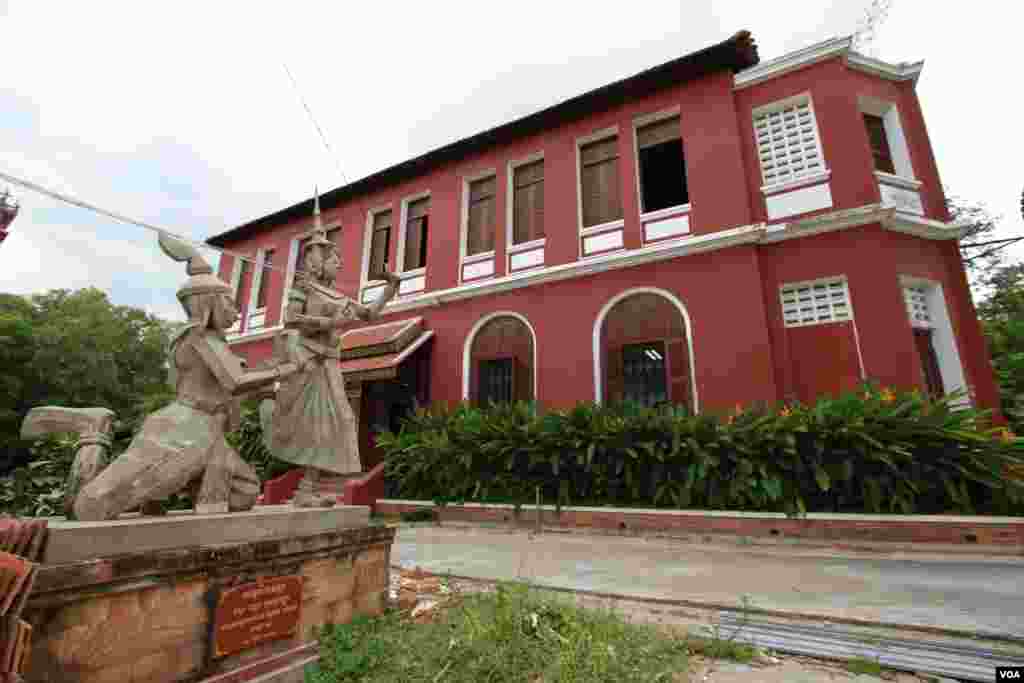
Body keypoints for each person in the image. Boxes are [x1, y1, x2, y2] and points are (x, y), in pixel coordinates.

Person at [74, 234, 297, 521]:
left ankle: (180, 491)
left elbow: (229, 386)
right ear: (210, 305)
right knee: (94, 505)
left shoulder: (203, 341)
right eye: (229, 303)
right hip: (184, 430)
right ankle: (92, 434)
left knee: (245, 491)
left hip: (207, 430)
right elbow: (235, 382)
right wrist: (282, 370)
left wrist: (269, 374)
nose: (235, 310)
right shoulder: (200, 338)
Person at [262, 196, 401, 507]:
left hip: (330, 364)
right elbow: (291, 319)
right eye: (334, 259)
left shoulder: (337, 294)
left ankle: (307, 489)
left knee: (340, 420)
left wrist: (391, 286)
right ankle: (305, 491)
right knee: (315, 423)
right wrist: (330, 321)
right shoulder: (304, 288)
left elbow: (370, 315)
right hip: (309, 361)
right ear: (318, 261)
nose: (339, 264)